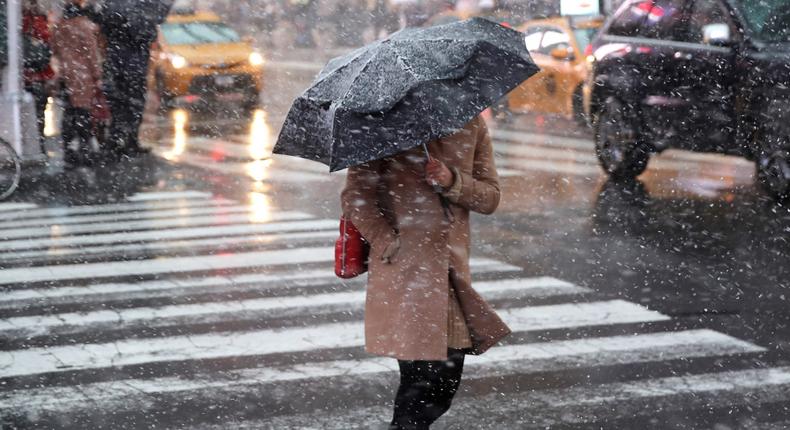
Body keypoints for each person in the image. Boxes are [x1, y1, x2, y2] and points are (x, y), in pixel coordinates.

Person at [341, 115, 511, 429]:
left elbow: (491, 198)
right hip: (405, 274)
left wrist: (452, 181)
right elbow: (356, 197)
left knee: (443, 383)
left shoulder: (471, 123)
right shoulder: (381, 124)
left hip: (451, 278)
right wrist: (390, 243)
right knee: (419, 383)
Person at [88, 0, 172, 158]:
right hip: (132, 65)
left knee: (120, 105)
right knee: (130, 105)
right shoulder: (141, 8)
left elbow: (101, 22)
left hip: (118, 63)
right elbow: (151, 25)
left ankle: (117, 142)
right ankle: (126, 142)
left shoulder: (115, 6)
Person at [51, 0, 103, 166]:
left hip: (66, 75)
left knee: (69, 113)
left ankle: (69, 148)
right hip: (82, 76)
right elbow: (92, 54)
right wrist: (97, 75)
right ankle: (85, 148)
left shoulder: (59, 28)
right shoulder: (85, 27)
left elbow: (54, 50)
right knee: (83, 113)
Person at [22, 0, 54, 150]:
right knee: (37, 110)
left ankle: (34, 143)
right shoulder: (36, 21)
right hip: (36, 74)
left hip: (29, 74)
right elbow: (47, 45)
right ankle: (37, 144)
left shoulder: (26, 20)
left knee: (34, 110)